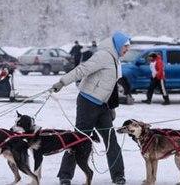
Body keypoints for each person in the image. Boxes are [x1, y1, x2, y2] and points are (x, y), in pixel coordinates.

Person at [51, 31, 130, 185]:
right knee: (78, 140)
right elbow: (82, 70)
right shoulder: (103, 56)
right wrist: (62, 82)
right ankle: (65, 176)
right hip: (87, 103)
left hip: (102, 106)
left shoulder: (115, 60)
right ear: (118, 45)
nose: (127, 50)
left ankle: (118, 175)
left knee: (111, 140)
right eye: (125, 47)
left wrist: (111, 106)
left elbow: (111, 86)